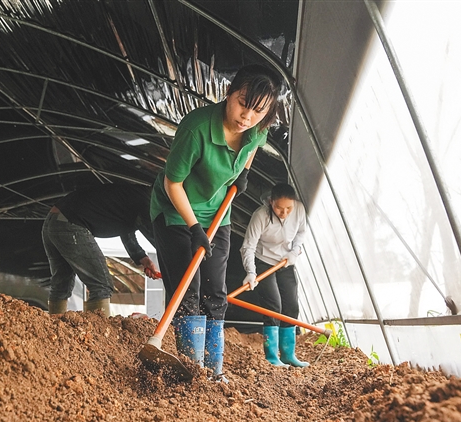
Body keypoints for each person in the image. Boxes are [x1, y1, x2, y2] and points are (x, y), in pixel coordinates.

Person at [150, 64, 282, 382]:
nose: (246, 116)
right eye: (242, 103)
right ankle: (192, 373)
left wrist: (245, 172)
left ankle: (214, 371)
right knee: (189, 291)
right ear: (229, 92)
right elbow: (172, 184)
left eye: (257, 111)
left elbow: (251, 147)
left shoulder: (257, 129)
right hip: (176, 213)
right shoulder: (196, 128)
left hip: (217, 214)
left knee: (215, 292)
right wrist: (194, 227)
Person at [42, 182, 160, 316]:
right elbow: (159, 239)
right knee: (101, 285)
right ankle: (94, 335)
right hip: (71, 224)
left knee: (61, 284)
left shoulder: (134, 194)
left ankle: (54, 327)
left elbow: (126, 230)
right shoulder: (147, 202)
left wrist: (141, 258)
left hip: (53, 221)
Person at [240, 183, 309, 368]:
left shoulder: (300, 210)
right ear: (271, 202)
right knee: (273, 307)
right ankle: (272, 357)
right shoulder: (260, 216)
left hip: (286, 261)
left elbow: (301, 233)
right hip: (264, 262)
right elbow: (248, 246)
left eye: (289, 208)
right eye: (279, 208)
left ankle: (288, 355)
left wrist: (295, 251)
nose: (284, 213)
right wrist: (251, 272)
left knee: (292, 307)